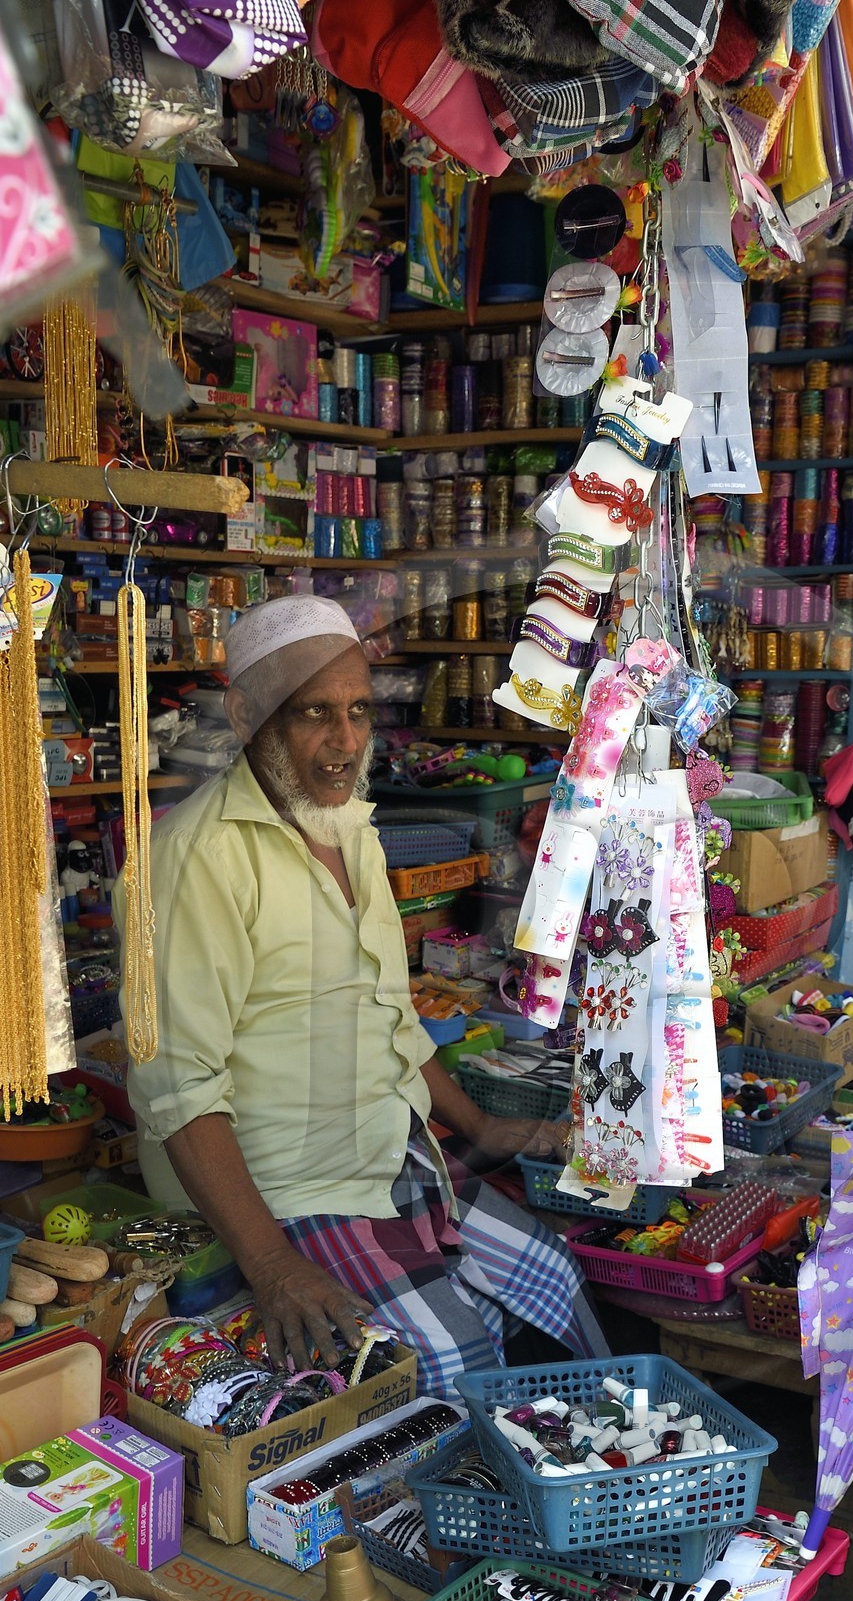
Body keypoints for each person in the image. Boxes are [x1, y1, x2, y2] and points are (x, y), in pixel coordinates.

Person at [117, 594, 604, 1392]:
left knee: (557, 1279)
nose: (344, 743)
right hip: (290, 1190)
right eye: (313, 713)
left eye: (357, 713)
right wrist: (271, 1262)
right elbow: (177, 1087)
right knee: (456, 1366)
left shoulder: (350, 826)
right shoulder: (192, 860)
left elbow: (389, 1012)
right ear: (247, 715)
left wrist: (479, 1124)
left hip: (390, 1154)